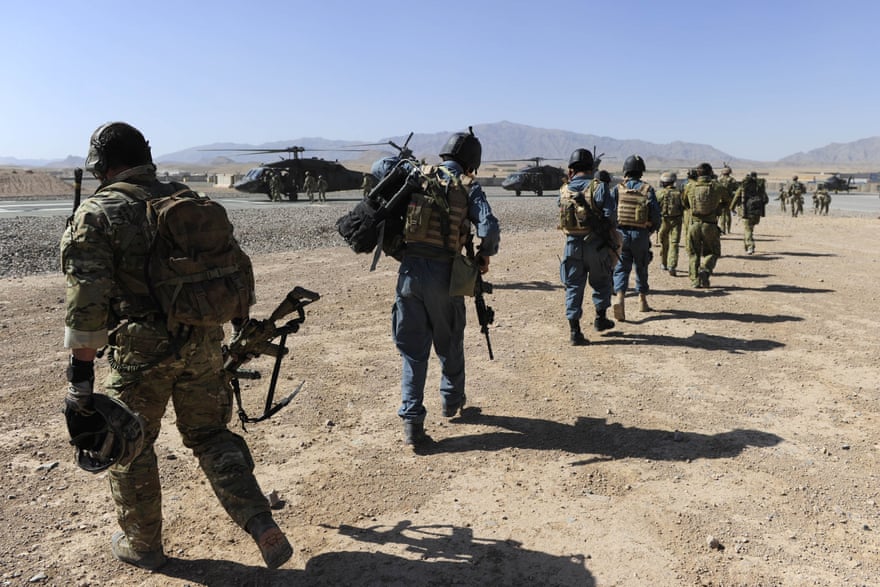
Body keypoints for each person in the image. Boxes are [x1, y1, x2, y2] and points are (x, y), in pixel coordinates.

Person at [59, 122, 293, 571]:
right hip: (203, 341)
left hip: (140, 352)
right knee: (210, 436)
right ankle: (262, 524)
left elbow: (86, 308)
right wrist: (239, 327)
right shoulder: (187, 200)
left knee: (131, 445)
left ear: (102, 166)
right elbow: (233, 271)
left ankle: (142, 544)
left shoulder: (98, 213)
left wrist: (80, 382)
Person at [390, 129, 500, 447]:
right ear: (471, 163)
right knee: (450, 339)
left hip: (408, 274)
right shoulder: (468, 186)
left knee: (413, 351)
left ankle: (412, 423)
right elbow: (489, 228)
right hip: (445, 276)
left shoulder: (417, 176)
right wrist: (483, 255)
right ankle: (452, 402)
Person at [558, 148, 617, 345]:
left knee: (573, 286)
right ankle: (600, 319)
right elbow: (611, 217)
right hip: (596, 246)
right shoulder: (598, 187)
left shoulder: (564, 190)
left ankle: (575, 332)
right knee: (601, 281)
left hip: (572, 245)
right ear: (592, 167)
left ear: (571, 169)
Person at [611, 155, 661, 320]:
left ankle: (619, 298)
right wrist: (649, 231)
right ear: (641, 172)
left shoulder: (617, 189)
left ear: (626, 170)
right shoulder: (648, 189)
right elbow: (655, 216)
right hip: (640, 234)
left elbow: (610, 212)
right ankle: (642, 301)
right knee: (641, 266)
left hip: (621, 234)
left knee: (621, 268)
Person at [682, 162, 727, 288]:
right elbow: (728, 200)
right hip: (711, 225)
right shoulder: (718, 186)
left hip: (693, 224)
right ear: (711, 173)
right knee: (713, 252)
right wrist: (718, 209)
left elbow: (685, 203)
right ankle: (705, 269)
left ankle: (694, 281)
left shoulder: (689, 187)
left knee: (693, 254)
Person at [730, 171, 769, 254]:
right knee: (749, 229)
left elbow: (736, 197)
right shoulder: (759, 187)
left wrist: (732, 208)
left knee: (748, 229)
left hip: (746, 211)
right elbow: (766, 200)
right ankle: (747, 246)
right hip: (756, 212)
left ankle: (750, 246)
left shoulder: (743, 186)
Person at [656, 171, 684, 277]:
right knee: (674, 243)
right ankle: (672, 265)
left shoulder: (659, 193)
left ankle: (664, 263)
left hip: (663, 221)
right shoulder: (679, 193)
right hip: (676, 221)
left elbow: (654, 207)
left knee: (664, 243)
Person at [716, 165, 737, 234]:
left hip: (720, 199)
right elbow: (736, 189)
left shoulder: (719, 180)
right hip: (729, 199)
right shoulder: (732, 180)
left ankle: (723, 230)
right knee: (728, 214)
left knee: (722, 215)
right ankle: (728, 230)